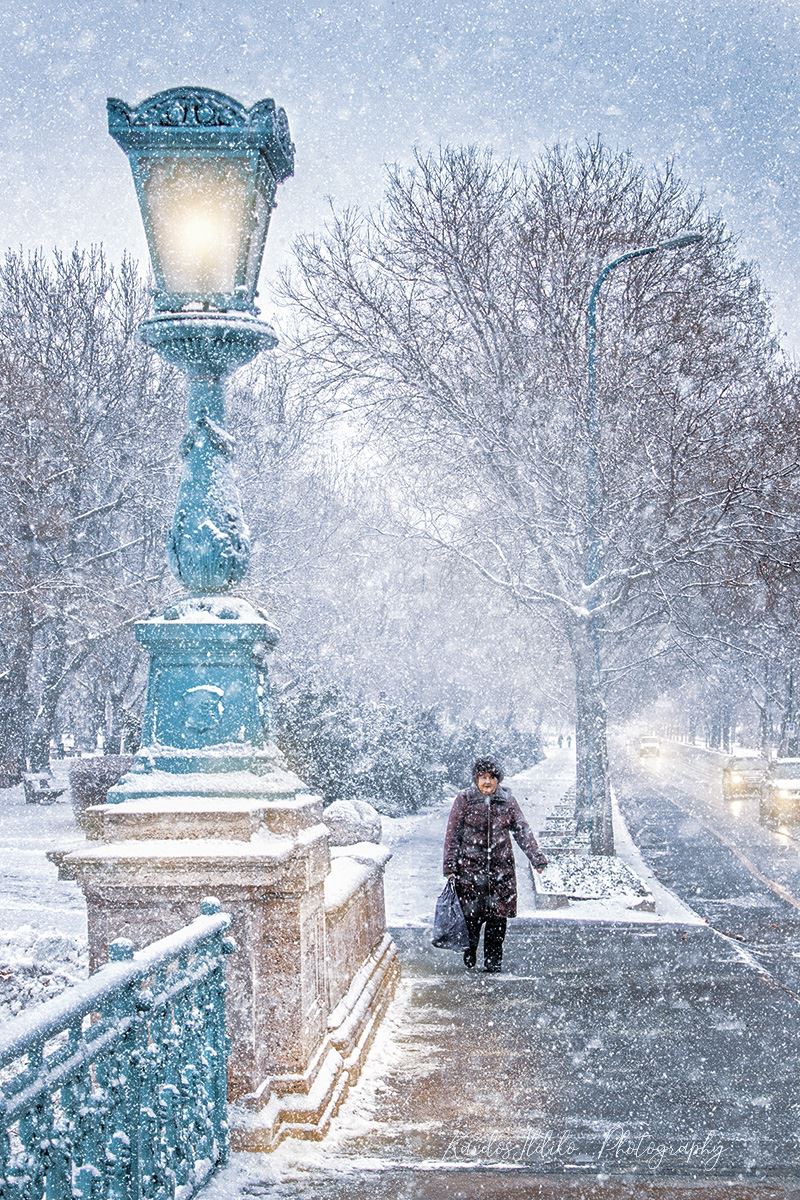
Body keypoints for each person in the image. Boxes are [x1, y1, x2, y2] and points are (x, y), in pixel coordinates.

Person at [443, 756, 548, 973]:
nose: (487, 782)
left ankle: (493, 962)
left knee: (497, 923)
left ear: (498, 780)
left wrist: (536, 857)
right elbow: (452, 835)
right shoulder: (464, 800)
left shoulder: (507, 801)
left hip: (501, 874)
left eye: (491, 777)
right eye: (482, 777)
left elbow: (522, 831)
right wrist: (450, 867)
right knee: (471, 920)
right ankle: (469, 952)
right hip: (470, 871)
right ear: (475, 779)